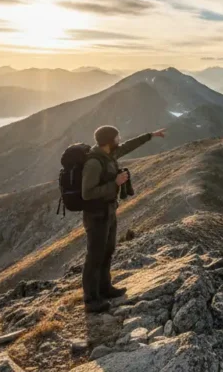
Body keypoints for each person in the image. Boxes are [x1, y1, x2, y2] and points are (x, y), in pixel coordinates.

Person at [80, 125, 165, 313]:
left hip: (109, 211)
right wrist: (115, 183)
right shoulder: (94, 163)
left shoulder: (109, 155)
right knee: (94, 256)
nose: (120, 139)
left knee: (107, 251)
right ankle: (91, 300)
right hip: (96, 215)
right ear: (110, 141)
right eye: (117, 137)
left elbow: (129, 146)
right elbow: (87, 193)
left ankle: (105, 288)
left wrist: (151, 135)